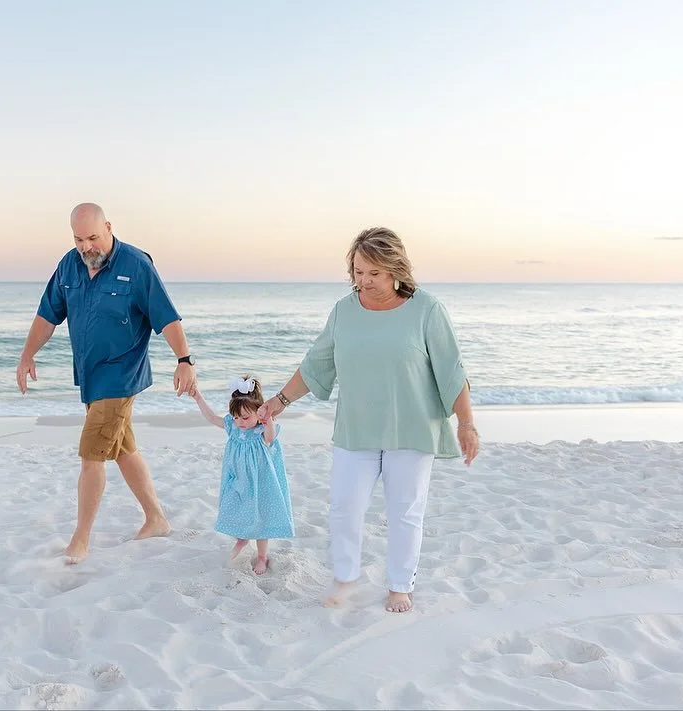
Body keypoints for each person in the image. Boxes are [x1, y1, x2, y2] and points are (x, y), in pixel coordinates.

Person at [256, 226, 479, 613]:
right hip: (356, 428)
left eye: (374, 273)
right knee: (344, 506)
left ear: (396, 269)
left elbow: (451, 371)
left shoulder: (427, 310)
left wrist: (465, 423)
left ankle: (399, 586)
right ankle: (344, 578)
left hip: (411, 427)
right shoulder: (344, 310)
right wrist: (279, 401)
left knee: (405, 511)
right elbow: (317, 364)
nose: (364, 281)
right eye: (358, 272)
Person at [16, 203, 198, 564]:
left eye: (93, 237)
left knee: (90, 457)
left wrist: (184, 360)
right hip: (90, 375)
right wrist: (26, 355)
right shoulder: (70, 264)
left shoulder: (136, 265)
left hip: (120, 375)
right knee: (123, 449)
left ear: (109, 228)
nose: (86, 247)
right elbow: (46, 315)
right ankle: (156, 518)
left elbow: (167, 316)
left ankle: (80, 540)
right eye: (79, 239)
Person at [189, 375, 294, 575]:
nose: (240, 422)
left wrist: (268, 418)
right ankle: (242, 538)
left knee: (261, 519)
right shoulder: (233, 428)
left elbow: (271, 437)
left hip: (259, 483)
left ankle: (262, 557)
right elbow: (212, 418)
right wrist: (198, 397)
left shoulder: (262, 431)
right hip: (237, 479)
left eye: (245, 417)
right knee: (235, 507)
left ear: (258, 414)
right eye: (236, 417)